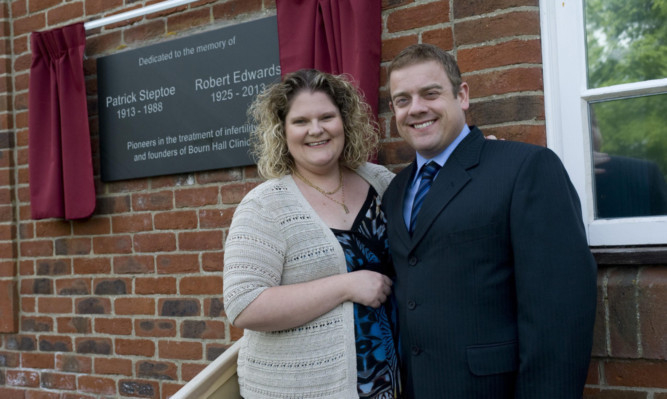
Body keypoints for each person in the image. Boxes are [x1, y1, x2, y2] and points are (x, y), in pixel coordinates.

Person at [383, 43, 598, 398]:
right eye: (402, 100)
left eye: (430, 93)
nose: (416, 108)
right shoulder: (396, 191)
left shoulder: (525, 168)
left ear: (462, 95)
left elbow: (560, 316)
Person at [223, 69, 401, 398]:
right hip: (303, 388)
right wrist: (346, 285)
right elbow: (244, 305)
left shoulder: (380, 182)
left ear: (344, 121)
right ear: (282, 130)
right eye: (301, 121)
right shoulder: (265, 206)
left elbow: (434, 216)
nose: (316, 129)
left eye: (326, 117)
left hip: (385, 382)